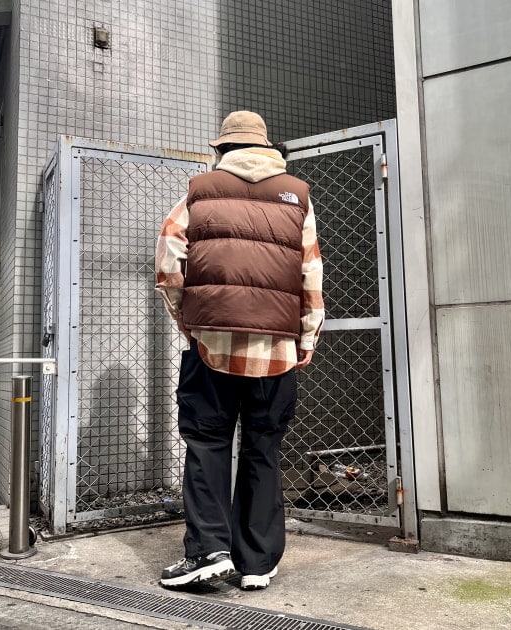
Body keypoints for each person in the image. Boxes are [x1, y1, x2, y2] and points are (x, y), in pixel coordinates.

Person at [155, 110, 324, 590]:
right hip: (277, 349)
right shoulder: (297, 196)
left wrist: (189, 322)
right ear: (267, 148)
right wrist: (306, 337)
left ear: (223, 149)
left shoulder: (200, 190)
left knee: (207, 442)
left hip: (212, 344)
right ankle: (257, 562)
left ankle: (208, 549)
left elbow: (169, 260)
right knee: (262, 448)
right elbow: (310, 273)